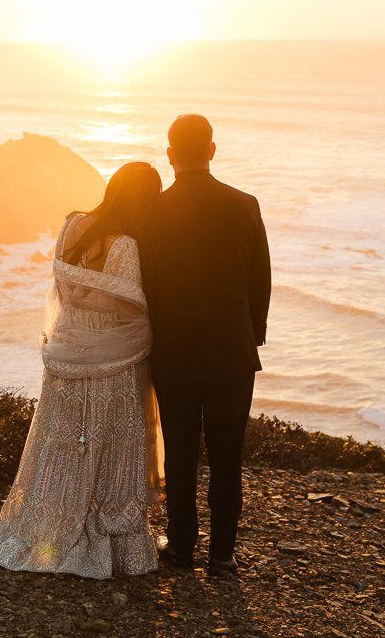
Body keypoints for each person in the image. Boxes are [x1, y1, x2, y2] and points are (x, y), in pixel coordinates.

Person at [0, 162, 166, 579]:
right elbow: (130, 311)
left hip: (65, 356)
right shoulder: (126, 246)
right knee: (108, 444)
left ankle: (43, 524)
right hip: (111, 362)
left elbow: (65, 291)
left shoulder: (71, 226)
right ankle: (102, 536)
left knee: (61, 443)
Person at [137, 114, 271, 577]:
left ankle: (181, 548)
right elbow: (261, 283)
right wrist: (251, 336)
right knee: (227, 455)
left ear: (170, 155)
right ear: (213, 150)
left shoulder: (152, 212)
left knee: (180, 452)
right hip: (232, 355)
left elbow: (144, 285)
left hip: (174, 352)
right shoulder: (245, 205)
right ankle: (223, 555)